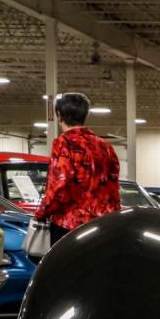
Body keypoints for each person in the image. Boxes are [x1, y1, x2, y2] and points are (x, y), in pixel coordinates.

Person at [36, 92, 122, 242]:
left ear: (59, 115)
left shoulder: (64, 142)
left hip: (70, 226)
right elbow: (113, 187)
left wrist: (41, 212)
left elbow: (60, 184)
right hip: (103, 226)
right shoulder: (106, 147)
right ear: (85, 115)